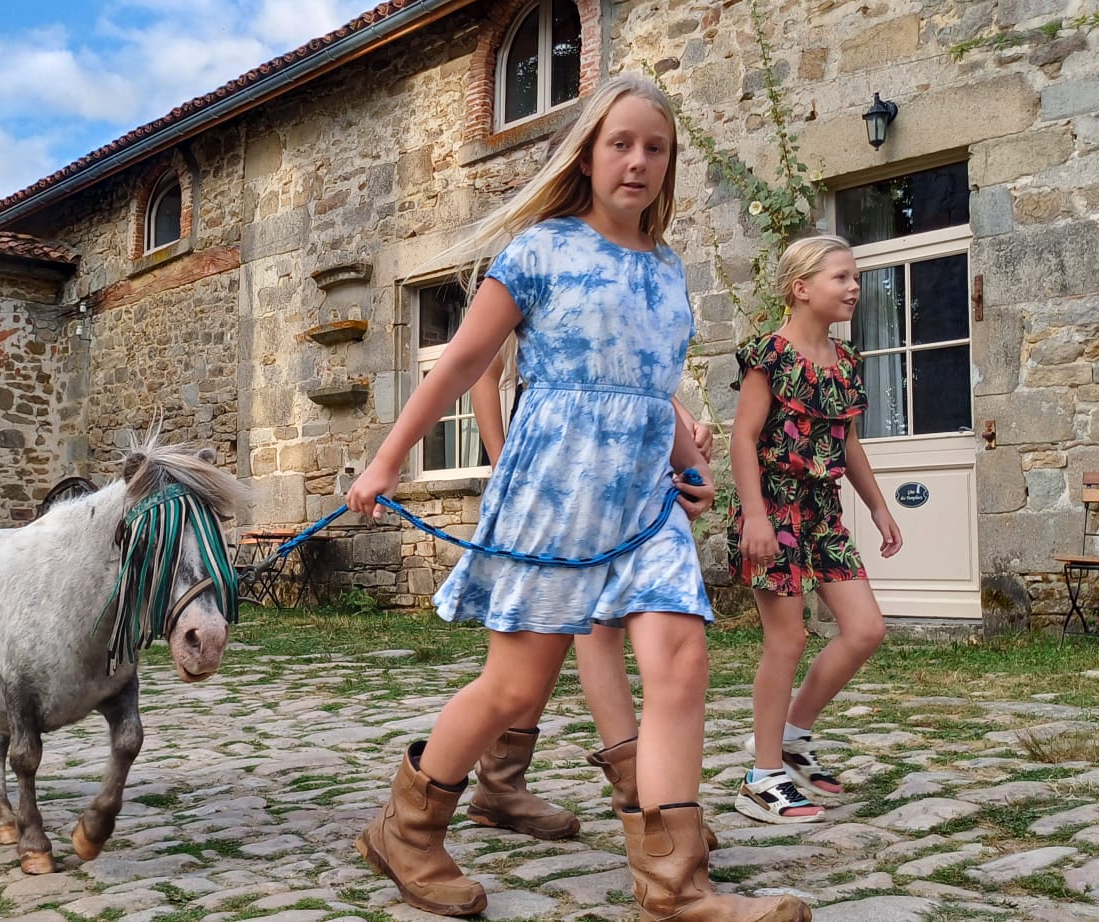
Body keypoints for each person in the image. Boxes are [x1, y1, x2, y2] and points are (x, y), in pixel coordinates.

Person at [343, 75, 808, 922]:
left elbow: (649, 386)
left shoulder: (668, 271)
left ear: (670, 165)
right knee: (515, 693)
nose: (637, 161)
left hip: (643, 503)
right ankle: (406, 830)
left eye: (655, 148)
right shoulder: (540, 250)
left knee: (681, 662)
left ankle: (673, 887)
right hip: (555, 494)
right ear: (588, 155)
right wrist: (384, 462)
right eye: (620, 144)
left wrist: (686, 459)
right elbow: (456, 364)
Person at [462, 345, 721, 848]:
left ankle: (628, 791)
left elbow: (636, 374)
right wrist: (501, 468)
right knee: (540, 643)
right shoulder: (535, 276)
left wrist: (683, 420)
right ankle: (509, 784)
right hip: (554, 470)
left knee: (569, 634)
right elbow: (480, 374)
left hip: (614, 469)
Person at [727, 234, 902, 825]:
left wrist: (877, 506)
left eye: (855, 278)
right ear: (801, 289)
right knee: (789, 638)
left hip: (823, 513)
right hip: (771, 510)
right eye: (841, 278)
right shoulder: (768, 356)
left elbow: (847, 441)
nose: (854, 287)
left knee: (865, 629)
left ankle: (792, 736)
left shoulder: (847, 363)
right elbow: (743, 438)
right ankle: (763, 776)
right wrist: (754, 515)